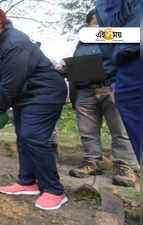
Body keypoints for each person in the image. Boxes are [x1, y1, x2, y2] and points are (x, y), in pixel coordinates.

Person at [0, 5, 68, 210]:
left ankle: (54, 190)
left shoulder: (16, 43)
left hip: (44, 94)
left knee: (34, 137)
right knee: (24, 138)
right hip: (25, 97)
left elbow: (11, 83)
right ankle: (27, 182)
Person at [65, 10, 138, 187]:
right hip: (85, 90)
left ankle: (125, 165)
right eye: (98, 23)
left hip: (112, 89)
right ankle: (92, 161)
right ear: (87, 26)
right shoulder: (82, 43)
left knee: (121, 129)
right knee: (87, 131)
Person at [95, 0, 141, 164]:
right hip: (127, 71)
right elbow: (107, 43)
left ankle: (125, 164)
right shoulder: (101, 5)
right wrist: (114, 82)